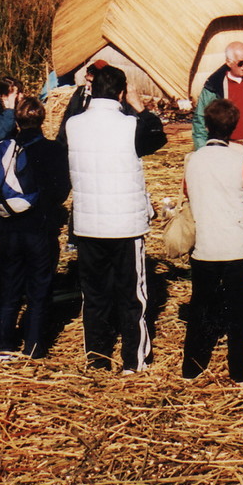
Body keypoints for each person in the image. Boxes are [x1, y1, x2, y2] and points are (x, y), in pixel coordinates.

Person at [64, 63, 168, 372]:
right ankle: (133, 361)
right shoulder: (130, 125)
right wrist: (139, 107)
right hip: (125, 224)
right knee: (132, 295)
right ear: (121, 93)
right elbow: (157, 137)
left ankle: (97, 358)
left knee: (94, 295)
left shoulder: (73, 124)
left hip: (88, 222)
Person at [181, 99, 243, 383]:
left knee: (201, 305)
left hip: (206, 243)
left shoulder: (193, 159)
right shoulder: (241, 160)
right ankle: (239, 370)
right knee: (239, 310)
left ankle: (192, 366)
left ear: (206, 126)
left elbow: (188, 193)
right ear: (233, 127)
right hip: (237, 244)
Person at [0, 97, 71, 362]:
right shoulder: (54, 150)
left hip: (9, 228)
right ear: (43, 119)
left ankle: (3, 344)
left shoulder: (4, 149)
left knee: (9, 287)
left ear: (17, 121)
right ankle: (33, 347)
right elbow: (62, 189)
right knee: (39, 289)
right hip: (41, 227)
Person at [192, 41, 243, 150]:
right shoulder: (214, 86)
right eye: (240, 63)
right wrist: (203, 151)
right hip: (228, 146)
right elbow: (200, 121)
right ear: (229, 63)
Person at [0, 76, 22, 144]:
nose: (20, 96)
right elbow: (0, 135)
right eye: (16, 93)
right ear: (4, 96)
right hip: (3, 150)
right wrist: (10, 111)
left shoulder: (20, 109)